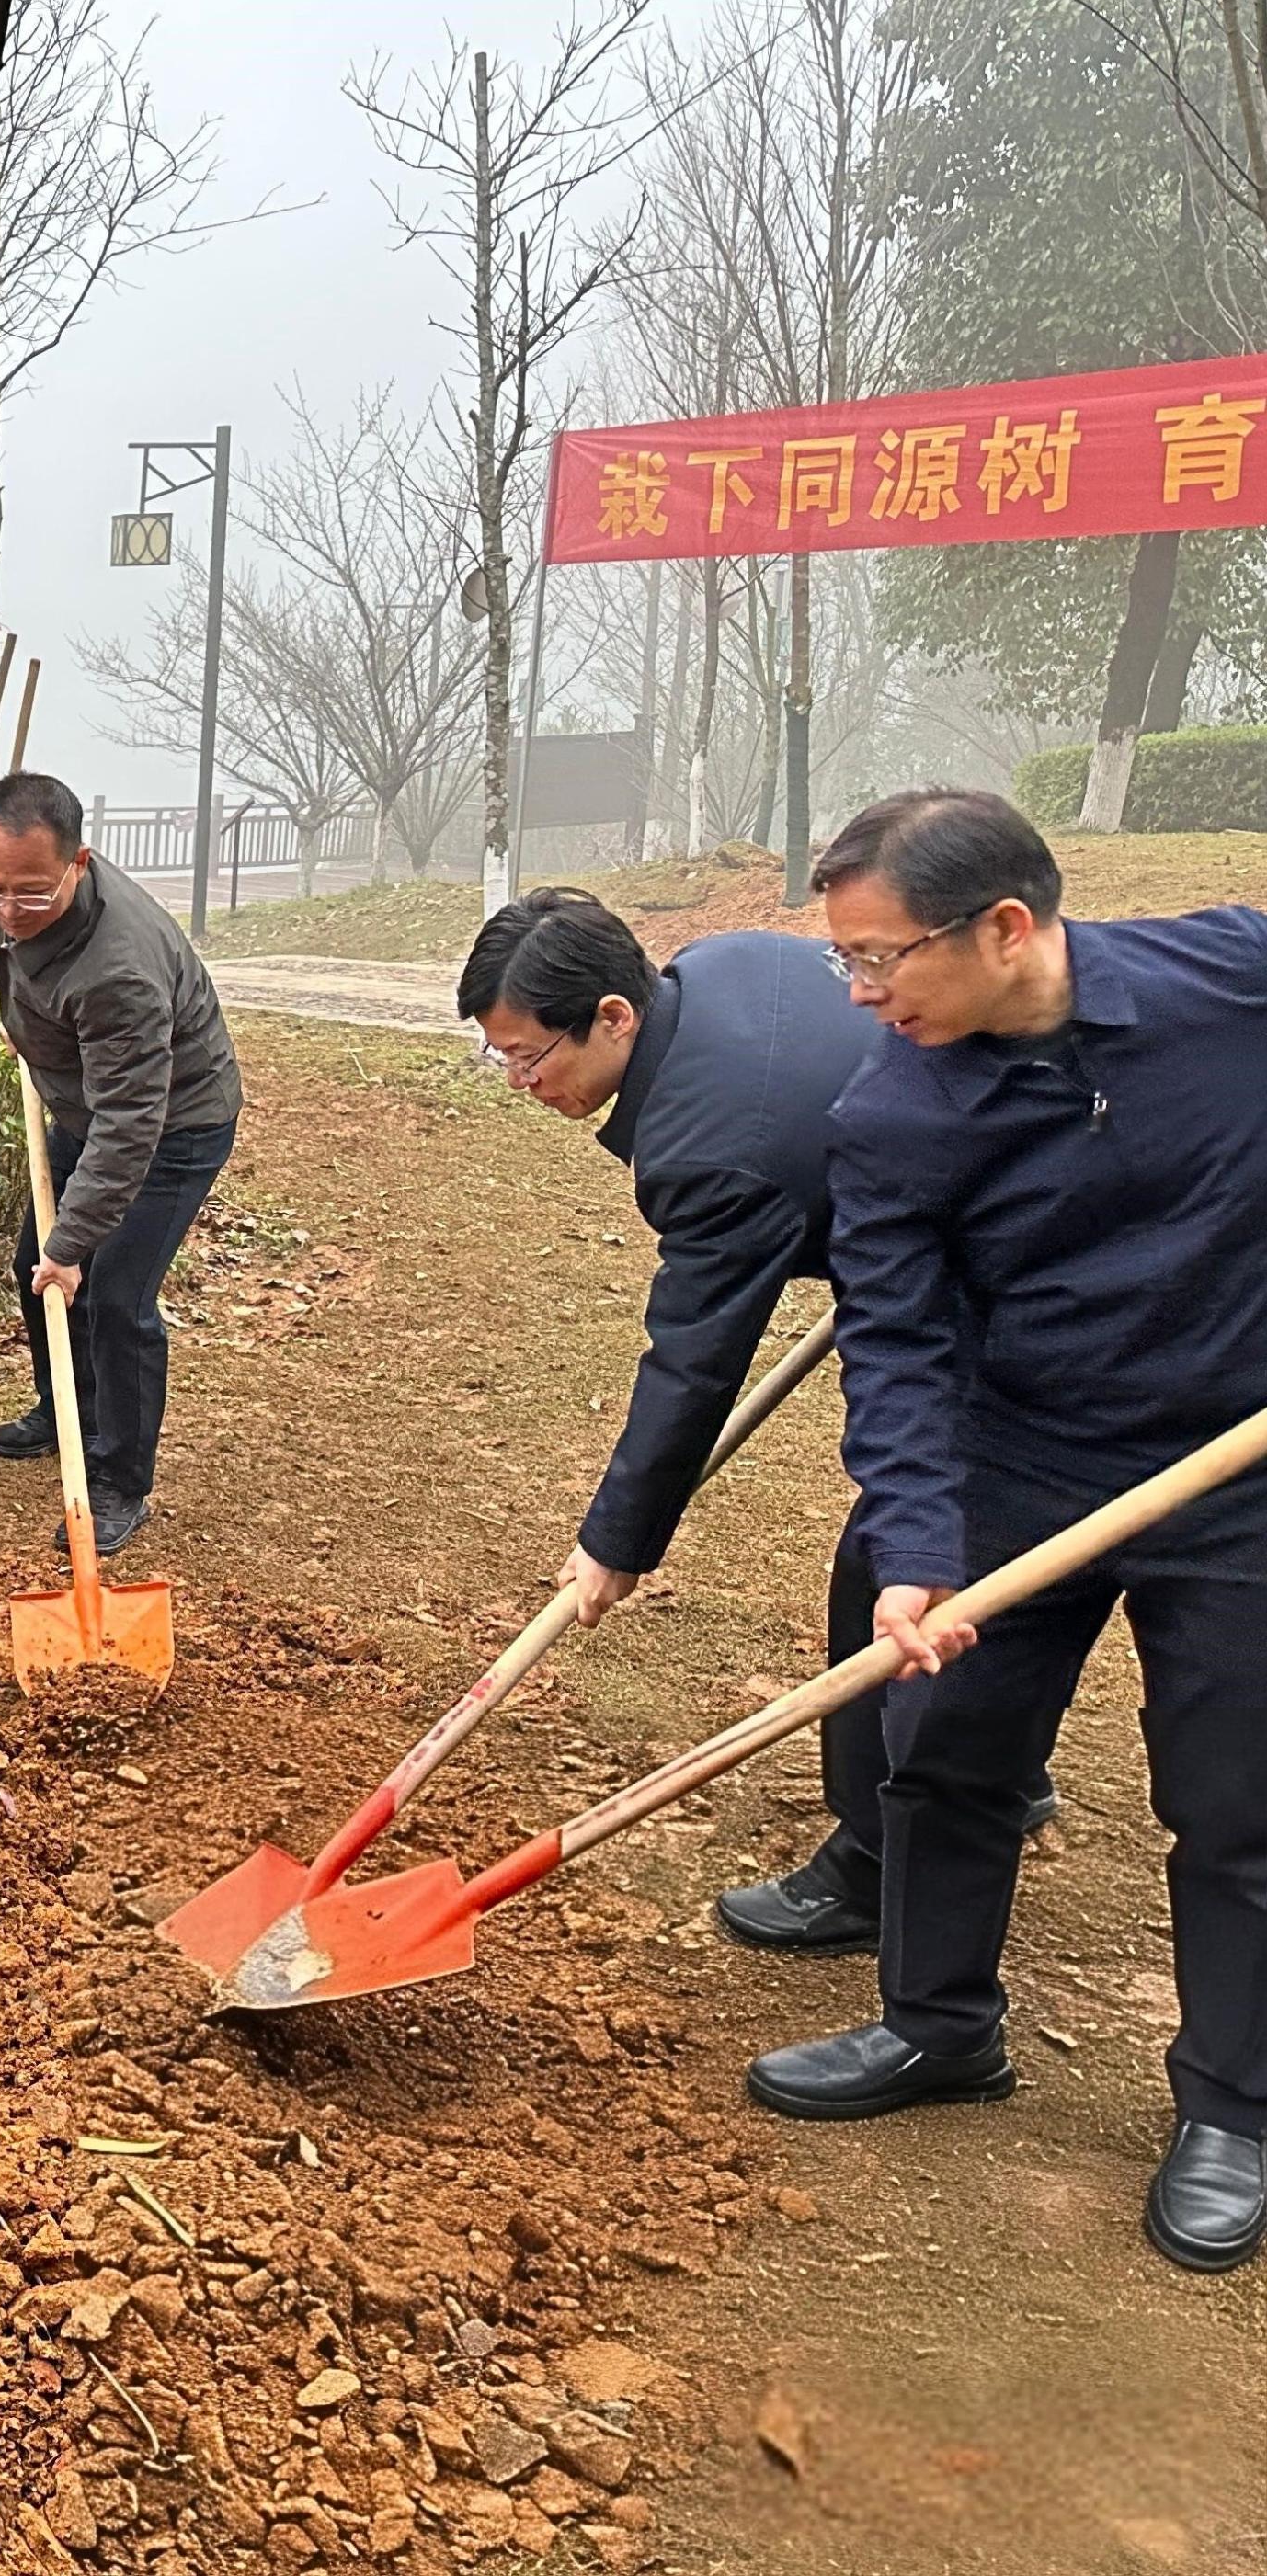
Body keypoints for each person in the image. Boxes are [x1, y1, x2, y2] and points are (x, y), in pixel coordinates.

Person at [740, 791, 1267, 2277]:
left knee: (1237, 1804)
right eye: (842, 964)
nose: (861, 993)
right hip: (1021, 1461)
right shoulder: (895, 1110)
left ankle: (1232, 2110)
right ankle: (937, 2027)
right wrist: (915, 1549)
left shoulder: (1232, 977)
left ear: (1010, 930)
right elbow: (896, 1347)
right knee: (947, 1753)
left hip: (1237, 1473)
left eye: (878, 958)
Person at [457, 888, 1052, 1956]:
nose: (519, 1084)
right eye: (498, 1058)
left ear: (612, 1017)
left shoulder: (711, 1149)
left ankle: (874, 1861)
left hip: (1013, 1277)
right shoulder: (717, 964)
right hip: (962, 1201)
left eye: (526, 1057)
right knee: (966, 1550)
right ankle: (1000, 1771)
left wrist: (614, 1545)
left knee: (891, 1563)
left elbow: (692, 1363)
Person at [0, 770, 241, 1551]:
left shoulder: (119, 968)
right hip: (93, 1104)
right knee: (36, 1263)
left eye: (29, 894)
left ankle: (120, 1481)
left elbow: (130, 1126)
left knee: (114, 1293)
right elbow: (31, 966)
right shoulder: (27, 894)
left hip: (172, 1126)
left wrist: (74, 1246)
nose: (9, 914)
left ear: (78, 865)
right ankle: (67, 1413)